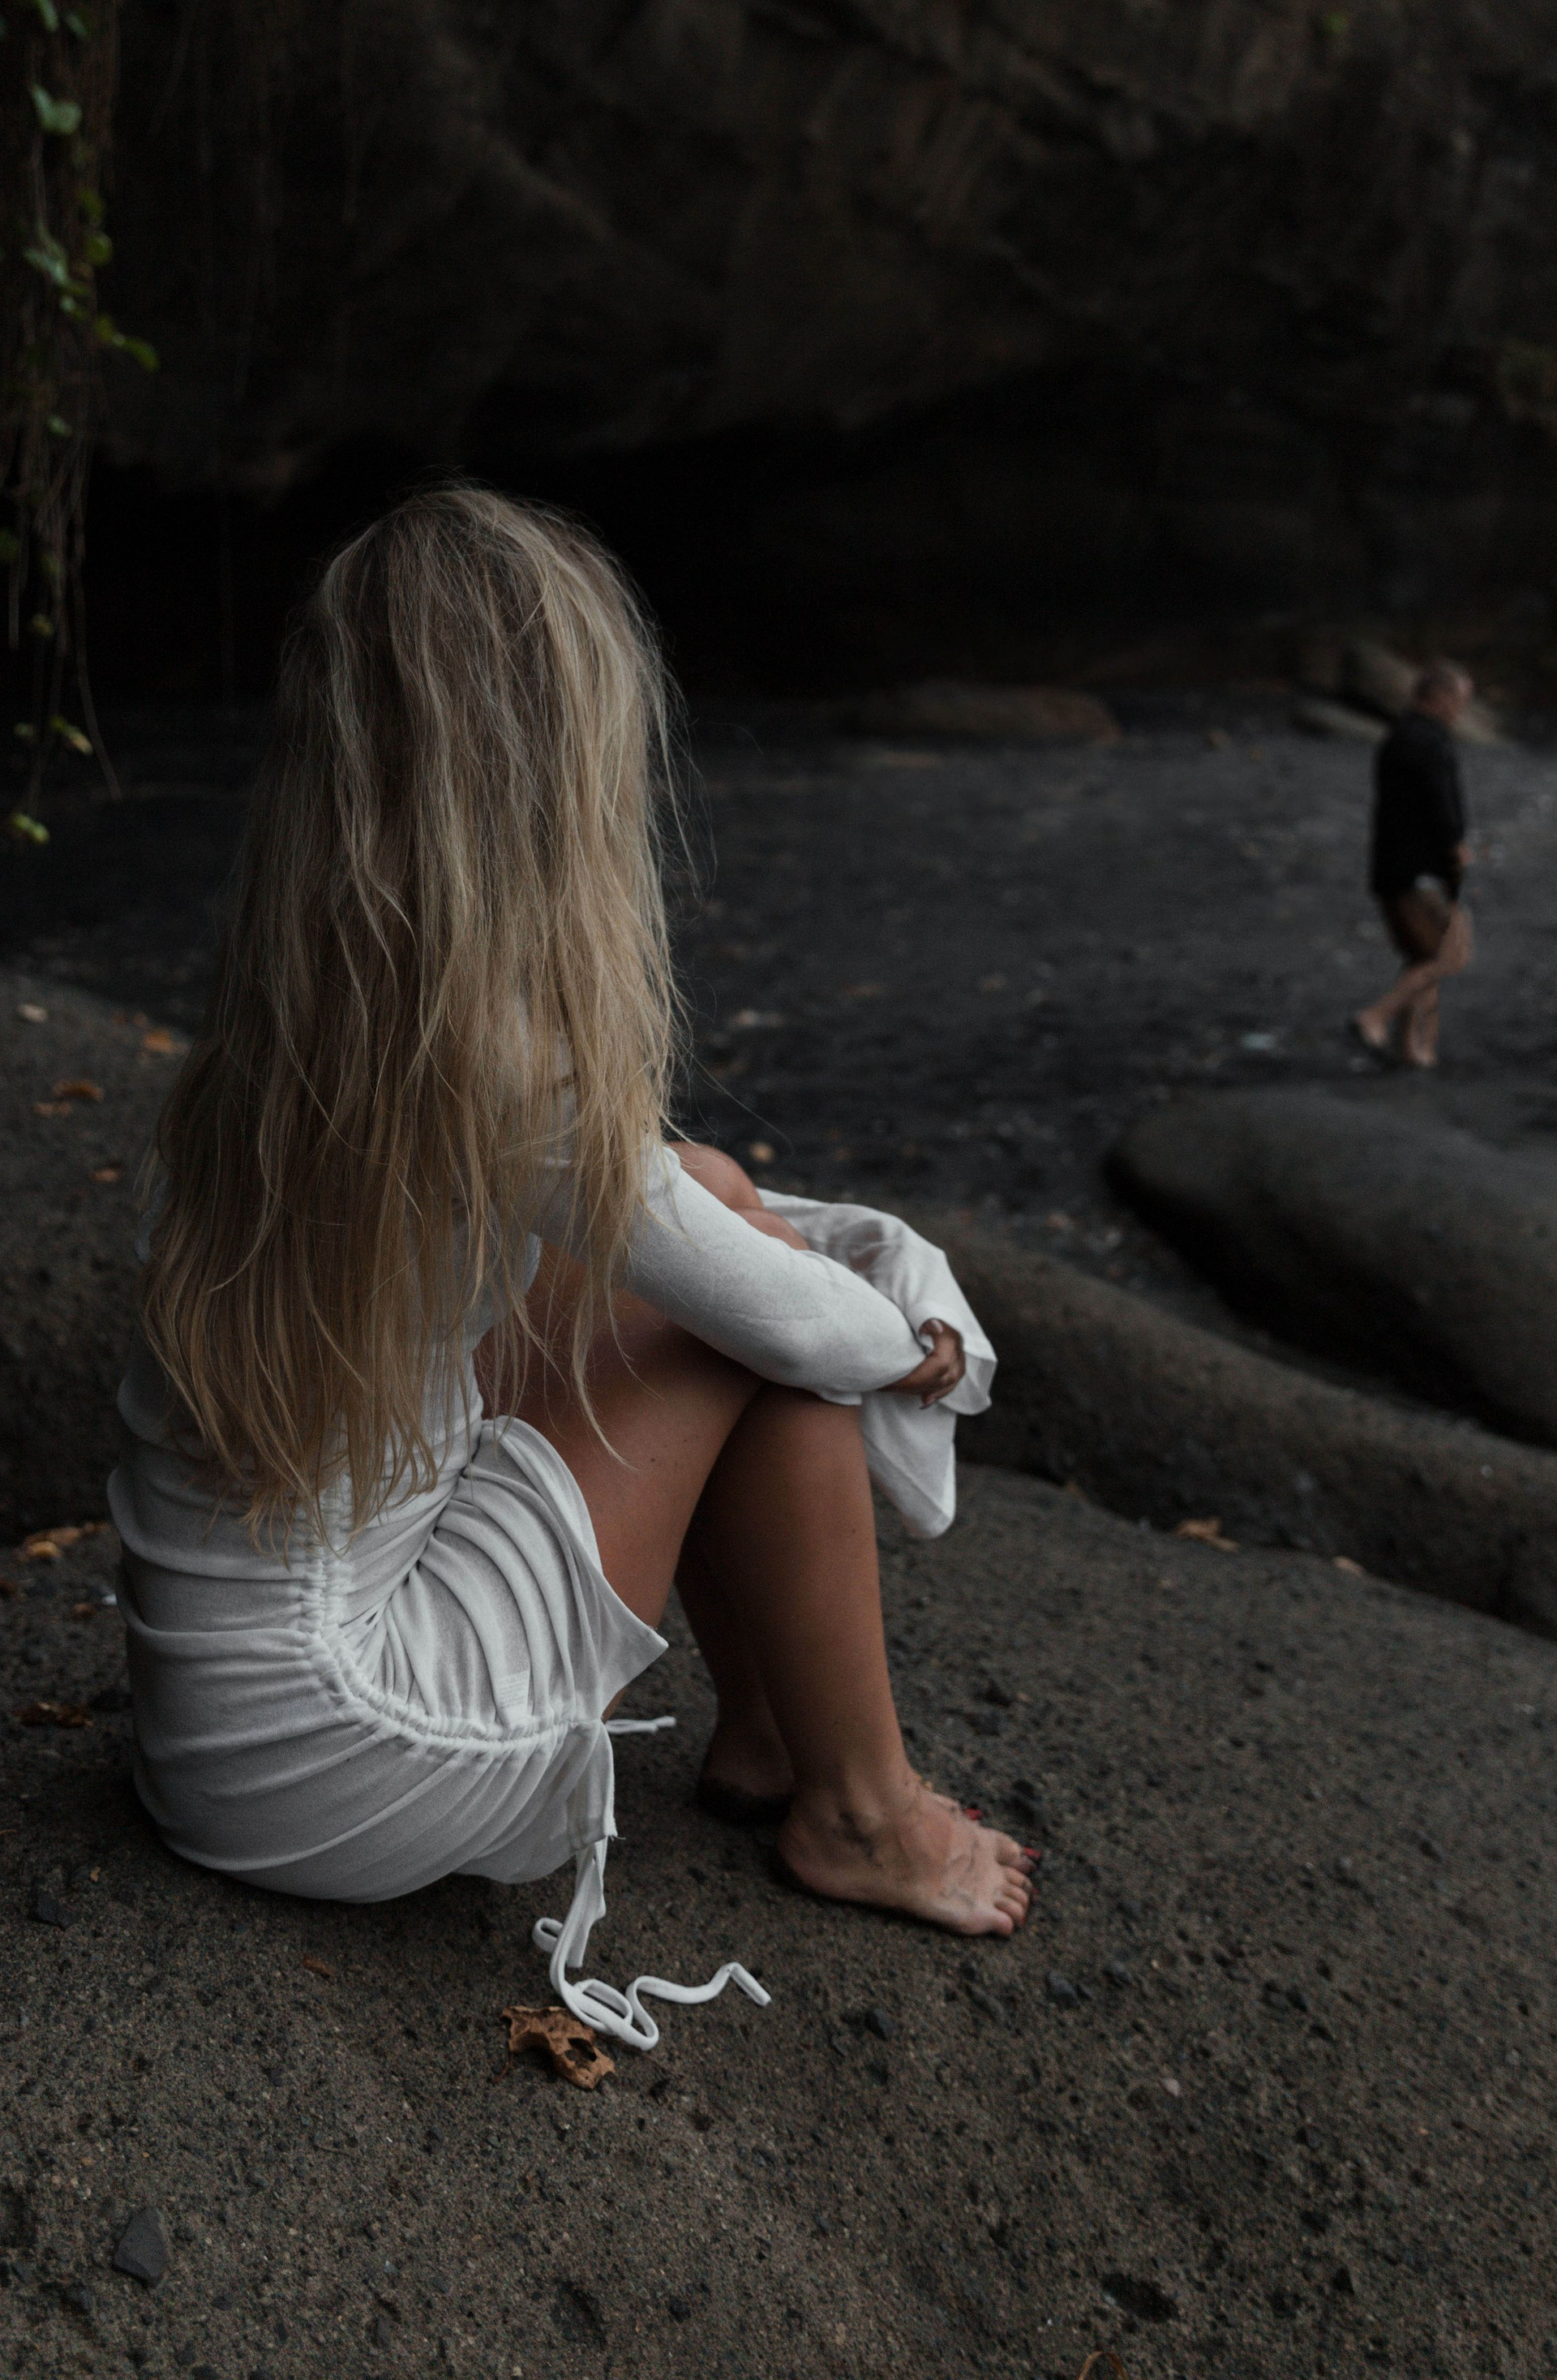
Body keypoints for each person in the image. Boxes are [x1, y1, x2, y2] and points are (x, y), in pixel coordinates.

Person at [111, 485, 1029, 2054]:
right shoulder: (495, 1060)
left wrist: (807, 1260)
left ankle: (763, 1737)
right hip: (345, 1745)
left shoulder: (308, 1013)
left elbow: (681, 1210)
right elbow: (779, 1315)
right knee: (756, 1313)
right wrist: (925, 1350)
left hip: (209, 1738)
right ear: (557, 773)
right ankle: (863, 1810)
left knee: (719, 1205)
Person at [1352, 658, 1475, 1072]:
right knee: (1450, 953)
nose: (1461, 709)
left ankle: (1412, 1049)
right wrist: (1455, 850)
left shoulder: (1398, 736)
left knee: (1421, 958)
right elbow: (1440, 805)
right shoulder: (1429, 742)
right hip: (1415, 871)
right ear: (1439, 697)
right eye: (1459, 700)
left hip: (1392, 867)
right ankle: (1375, 1016)